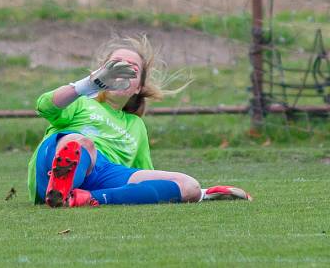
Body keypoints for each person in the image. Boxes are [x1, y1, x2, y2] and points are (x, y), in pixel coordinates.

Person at [29, 35, 252, 208]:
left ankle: (86, 198)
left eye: (131, 70)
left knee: (188, 185)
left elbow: (145, 181)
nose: (122, 72)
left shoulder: (136, 126)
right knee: (80, 143)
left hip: (105, 174)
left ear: (139, 87)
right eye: (115, 66)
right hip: (57, 161)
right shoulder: (82, 102)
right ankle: (58, 187)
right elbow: (44, 105)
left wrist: (201, 193)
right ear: (100, 73)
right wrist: (87, 85)